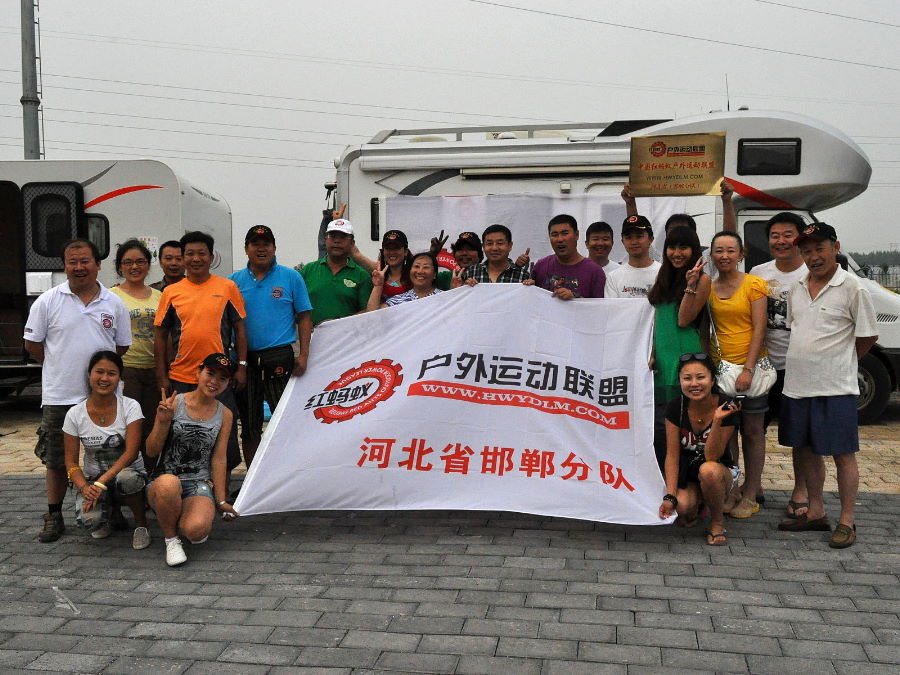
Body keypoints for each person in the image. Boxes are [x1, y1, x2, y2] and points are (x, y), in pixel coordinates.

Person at [23, 238, 131, 543]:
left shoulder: (114, 303)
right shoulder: (47, 301)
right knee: (56, 460)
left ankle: (112, 508)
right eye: (72, 262)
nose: (79, 267)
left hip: (104, 397)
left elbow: (121, 347)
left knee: (109, 456)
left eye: (85, 261)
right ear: (65, 266)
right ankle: (54, 514)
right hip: (60, 395)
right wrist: (60, 366)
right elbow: (32, 345)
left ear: (98, 265)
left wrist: (101, 376)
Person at [777, 223, 878, 548]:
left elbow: (867, 336)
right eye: (807, 251)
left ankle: (847, 521)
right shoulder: (797, 286)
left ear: (835, 247)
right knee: (805, 450)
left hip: (835, 389)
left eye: (819, 249)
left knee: (843, 455)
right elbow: (797, 329)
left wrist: (842, 361)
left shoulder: (853, 287)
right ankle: (816, 510)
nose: (813, 256)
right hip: (797, 386)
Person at [154, 231, 247, 475]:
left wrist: (242, 366)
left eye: (202, 253)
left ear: (211, 257)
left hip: (219, 379)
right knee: (179, 439)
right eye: (190, 254)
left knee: (224, 439)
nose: (196, 259)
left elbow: (240, 328)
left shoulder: (227, 287)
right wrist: (162, 375)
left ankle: (220, 489)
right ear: (183, 257)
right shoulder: (171, 292)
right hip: (181, 378)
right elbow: (161, 336)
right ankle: (181, 486)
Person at [230, 225, 312, 468]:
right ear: (246, 249)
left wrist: (304, 355)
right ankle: (253, 480)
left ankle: (288, 474)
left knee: (286, 422)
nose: (261, 249)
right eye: (255, 244)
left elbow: (304, 317)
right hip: (245, 359)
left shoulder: (291, 277)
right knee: (250, 425)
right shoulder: (234, 282)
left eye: (266, 244)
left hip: (279, 358)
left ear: (274, 248)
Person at [146, 353, 239, 566]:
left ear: (228, 383)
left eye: (222, 378)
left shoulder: (225, 414)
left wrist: (221, 500)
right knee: (169, 485)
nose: (214, 382)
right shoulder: (174, 403)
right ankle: (171, 539)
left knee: (196, 531)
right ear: (198, 372)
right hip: (164, 480)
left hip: (198, 482)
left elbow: (219, 458)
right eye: (210, 373)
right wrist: (162, 422)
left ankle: (179, 514)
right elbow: (151, 451)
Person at [748, 212, 809, 519]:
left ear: (800, 238)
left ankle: (801, 490)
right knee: (753, 429)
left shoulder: (811, 271)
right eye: (775, 235)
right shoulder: (759, 273)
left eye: (788, 235)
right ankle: (753, 484)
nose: (781, 241)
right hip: (763, 366)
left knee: (800, 433)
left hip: (799, 367)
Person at [707, 231, 769, 519]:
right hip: (722, 371)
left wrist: (748, 368)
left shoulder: (754, 284)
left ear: (741, 255)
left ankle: (752, 492)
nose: (724, 256)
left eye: (731, 250)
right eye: (719, 251)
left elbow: (760, 328)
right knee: (727, 432)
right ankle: (732, 488)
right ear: (711, 255)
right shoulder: (709, 287)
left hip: (749, 370)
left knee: (753, 432)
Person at [62, 350, 150, 549]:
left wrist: (101, 483)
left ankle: (141, 525)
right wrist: (85, 488)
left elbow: (131, 453)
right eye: (99, 372)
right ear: (89, 375)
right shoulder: (74, 414)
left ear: (119, 378)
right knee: (90, 522)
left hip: (128, 474)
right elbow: (71, 462)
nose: (104, 378)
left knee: (127, 478)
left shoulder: (130, 406)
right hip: (94, 479)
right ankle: (111, 516)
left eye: (111, 373)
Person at [658, 353, 741, 546]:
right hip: (688, 472)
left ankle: (717, 522)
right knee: (683, 507)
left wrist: (717, 420)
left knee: (708, 470)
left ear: (712, 380)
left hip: (718, 469)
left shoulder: (726, 406)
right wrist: (670, 496)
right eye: (687, 378)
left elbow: (712, 456)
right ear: (680, 381)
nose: (694, 384)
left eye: (701, 377)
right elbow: (672, 456)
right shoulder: (676, 407)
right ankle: (699, 502)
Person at [647, 227, 710, 467]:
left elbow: (684, 319)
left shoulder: (703, 280)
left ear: (694, 250)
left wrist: (690, 284)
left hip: (686, 356)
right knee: (660, 426)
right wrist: (651, 352)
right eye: (672, 247)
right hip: (662, 358)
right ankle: (664, 479)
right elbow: (656, 320)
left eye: (684, 247)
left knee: (683, 425)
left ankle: (685, 480)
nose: (677, 253)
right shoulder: (662, 277)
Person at [110, 240, 163, 471]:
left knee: (152, 424)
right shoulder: (111, 296)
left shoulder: (160, 296)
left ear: (148, 265)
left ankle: (150, 474)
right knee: (128, 425)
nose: (134, 267)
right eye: (128, 262)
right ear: (120, 266)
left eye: (140, 261)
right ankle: (126, 476)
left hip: (154, 369)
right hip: (126, 369)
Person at [301, 219, 373, 325]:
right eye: (332, 236)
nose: (337, 241)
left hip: (347, 334)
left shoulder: (362, 275)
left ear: (352, 243)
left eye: (343, 237)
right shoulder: (308, 270)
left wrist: (337, 324)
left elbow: (368, 312)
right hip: (311, 334)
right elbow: (293, 305)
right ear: (325, 240)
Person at [530, 214, 605, 299]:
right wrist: (527, 287)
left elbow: (600, 306)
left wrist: (575, 298)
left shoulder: (594, 271)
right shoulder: (541, 266)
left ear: (577, 235)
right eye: (554, 235)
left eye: (565, 233)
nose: (560, 239)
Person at [605, 215, 662, 299]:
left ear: (651, 239)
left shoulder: (664, 273)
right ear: (622, 241)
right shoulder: (613, 278)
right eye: (628, 237)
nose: (634, 242)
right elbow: (612, 307)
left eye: (639, 236)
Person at [351, 229, 413, 303]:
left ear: (405, 251)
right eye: (388, 248)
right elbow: (355, 254)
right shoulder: (377, 270)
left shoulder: (414, 274)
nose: (392, 252)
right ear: (383, 251)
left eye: (396, 248)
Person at [368, 252, 442, 309]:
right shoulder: (397, 300)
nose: (420, 271)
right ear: (410, 271)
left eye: (426, 267)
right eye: (416, 266)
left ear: (435, 274)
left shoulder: (444, 298)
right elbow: (373, 317)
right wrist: (378, 286)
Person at [463, 224, 531, 284]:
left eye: (500, 243)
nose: (494, 248)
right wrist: (463, 287)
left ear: (510, 246)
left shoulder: (523, 276)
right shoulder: (471, 272)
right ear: (483, 246)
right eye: (489, 243)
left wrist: (529, 288)